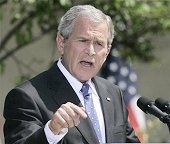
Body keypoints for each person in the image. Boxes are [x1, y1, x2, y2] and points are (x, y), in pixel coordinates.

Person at [3, 5, 140, 144]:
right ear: (62, 43)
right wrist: (51, 131)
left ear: (107, 51)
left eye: (99, 43)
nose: (91, 51)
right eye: (83, 40)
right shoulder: (26, 97)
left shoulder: (113, 92)